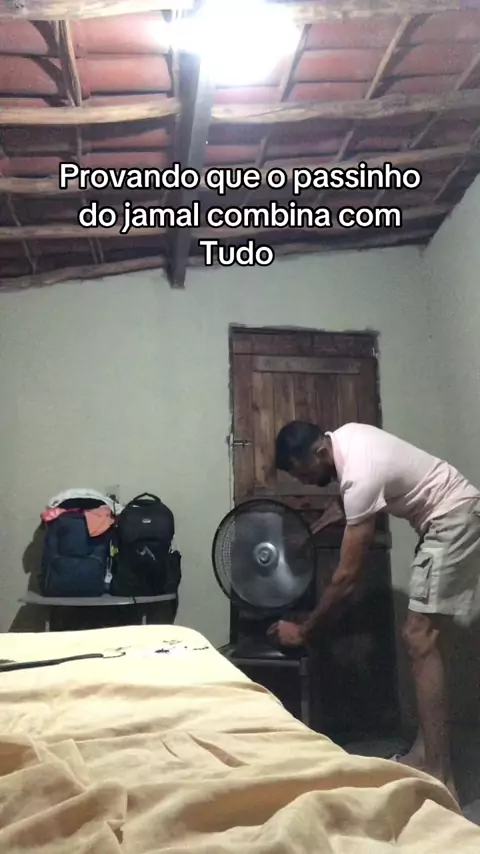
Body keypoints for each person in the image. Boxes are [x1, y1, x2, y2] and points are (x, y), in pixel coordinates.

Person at [269, 420, 480, 798]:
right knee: (429, 642)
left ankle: (440, 774)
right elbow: (344, 507)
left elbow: (348, 575)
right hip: (453, 516)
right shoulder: (348, 439)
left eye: (304, 474)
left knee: (419, 638)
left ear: (319, 453)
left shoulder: (358, 473)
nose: (306, 483)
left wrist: (304, 631)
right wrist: (308, 537)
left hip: (452, 519)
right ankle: (424, 753)